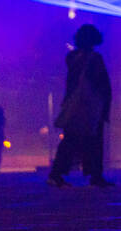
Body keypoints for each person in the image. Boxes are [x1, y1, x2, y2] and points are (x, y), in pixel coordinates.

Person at [48, 24, 114, 187]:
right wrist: (105, 105)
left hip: (74, 104)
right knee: (95, 141)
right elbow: (102, 84)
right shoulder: (95, 58)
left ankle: (57, 173)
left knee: (70, 140)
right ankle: (95, 175)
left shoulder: (72, 58)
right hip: (91, 106)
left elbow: (71, 83)